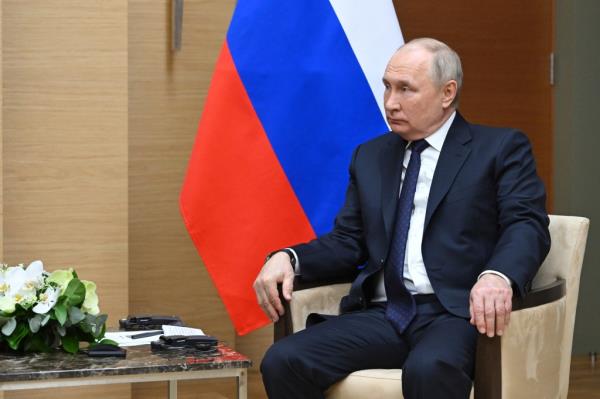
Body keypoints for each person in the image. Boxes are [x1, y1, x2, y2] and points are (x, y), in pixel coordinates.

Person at [253, 37, 550, 399]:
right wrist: (289, 257)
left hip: (456, 314)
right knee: (283, 360)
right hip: (385, 314)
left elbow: (526, 224)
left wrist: (497, 275)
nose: (390, 103)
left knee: (427, 370)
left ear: (447, 93)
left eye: (405, 89)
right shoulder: (371, 156)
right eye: (387, 87)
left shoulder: (499, 149)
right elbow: (348, 241)